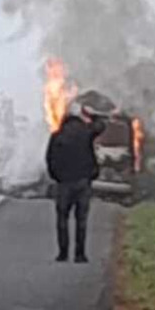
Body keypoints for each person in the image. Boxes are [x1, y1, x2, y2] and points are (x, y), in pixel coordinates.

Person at [45, 102, 107, 263]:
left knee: (62, 219)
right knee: (81, 220)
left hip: (64, 183)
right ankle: (80, 255)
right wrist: (93, 115)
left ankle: (63, 253)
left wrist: (56, 177)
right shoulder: (86, 132)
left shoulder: (57, 135)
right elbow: (101, 126)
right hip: (83, 182)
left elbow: (50, 159)